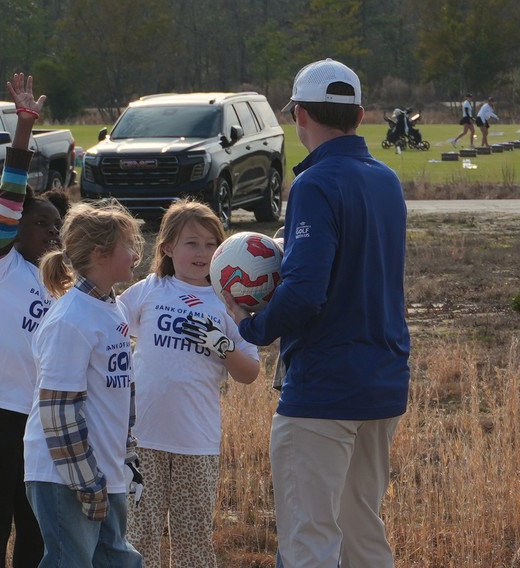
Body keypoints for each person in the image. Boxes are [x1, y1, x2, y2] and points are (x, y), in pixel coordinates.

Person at [226, 58, 411, 568]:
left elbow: (307, 293)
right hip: (384, 380)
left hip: (325, 388)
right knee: (362, 535)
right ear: (361, 114)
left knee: (309, 543)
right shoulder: (387, 180)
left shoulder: (313, 184)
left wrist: (253, 326)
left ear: (299, 114)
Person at [0, 73, 69, 568]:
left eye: (56, 225)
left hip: (41, 418)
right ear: (15, 228)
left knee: (35, 524)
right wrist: (24, 129)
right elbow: (9, 197)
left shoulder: (63, 286)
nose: (51, 231)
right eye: (40, 223)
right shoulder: (0, 266)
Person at [118, 200, 261, 567]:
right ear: (167, 248)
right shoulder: (151, 289)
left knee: (193, 539)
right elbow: (107, 324)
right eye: (191, 243)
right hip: (143, 438)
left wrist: (224, 347)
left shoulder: (226, 302)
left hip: (196, 442)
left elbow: (249, 372)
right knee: (139, 536)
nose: (202, 252)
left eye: (211, 243)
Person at [23, 199, 145, 568]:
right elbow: (58, 410)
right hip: (67, 475)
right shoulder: (70, 319)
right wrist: (87, 483)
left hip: (103, 471)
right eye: (128, 246)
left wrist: (126, 458)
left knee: (120, 561)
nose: (137, 254)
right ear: (100, 254)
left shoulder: (114, 308)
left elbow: (120, 392)